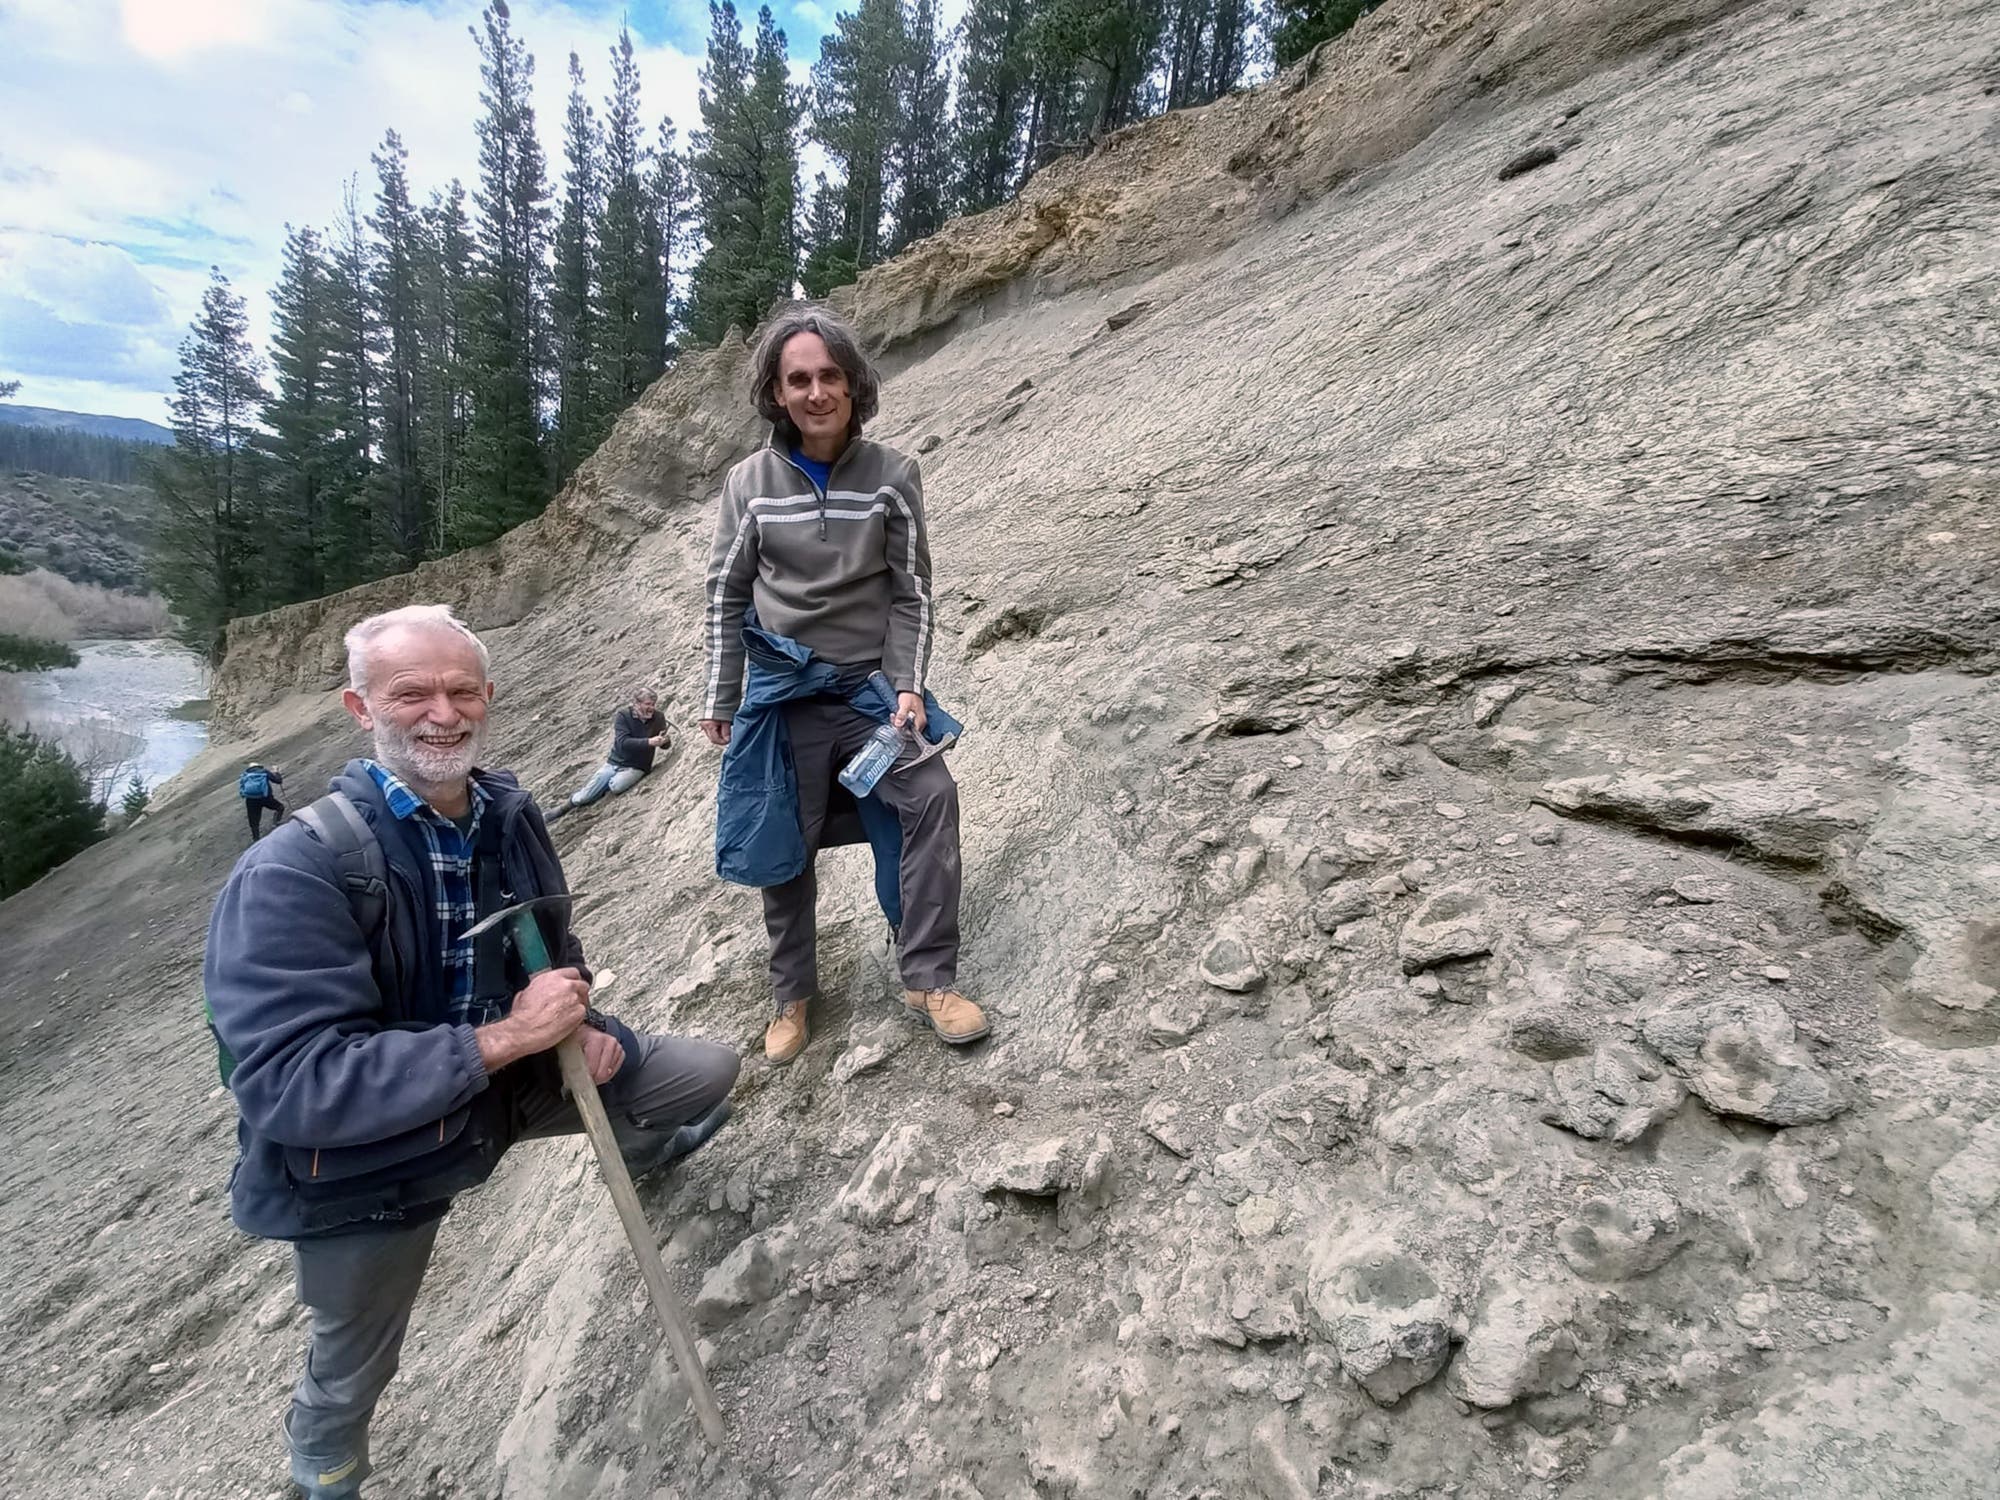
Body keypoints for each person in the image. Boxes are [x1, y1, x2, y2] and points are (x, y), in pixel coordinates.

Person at [203, 605, 739, 1499]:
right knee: (353, 1362)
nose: (441, 713)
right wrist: (507, 1038)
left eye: (460, 691)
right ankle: (323, 1470)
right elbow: (294, 1085)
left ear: (488, 697)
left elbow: (548, 942)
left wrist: (575, 1020)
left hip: (507, 1089)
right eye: (410, 693)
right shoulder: (295, 870)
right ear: (358, 705)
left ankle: (643, 1151)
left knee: (701, 1075)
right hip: (368, 1169)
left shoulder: (505, 813)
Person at [701, 303, 991, 1066]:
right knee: (779, 837)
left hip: (869, 692)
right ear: (775, 392)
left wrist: (909, 687)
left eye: (831, 375)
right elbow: (727, 594)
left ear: (855, 385)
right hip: (781, 696)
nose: (816, 392)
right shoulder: (749, 483)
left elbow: (912, 592)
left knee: (930, 797)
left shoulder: (894, 474)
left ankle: (928, 977)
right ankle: (792, 994)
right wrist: (720, 700)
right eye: (798, 379)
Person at [545, 686, 669, 823]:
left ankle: (604, 788)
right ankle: (563, 808)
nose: (651, 708)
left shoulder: (658, 717)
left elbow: (665, 746)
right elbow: (623, 742)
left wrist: (664, 741)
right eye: (648, 704)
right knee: (584, 796)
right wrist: (649, 742)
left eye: (653, 704)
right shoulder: (623, 715)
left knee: (617, 786)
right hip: (614, 763)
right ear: (637, 704)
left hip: (637, 766)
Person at [240, 761, 286, 839]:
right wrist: (276, 771)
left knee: (254, 822)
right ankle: (276, 822)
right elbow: (278, 781)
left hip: (251, 800)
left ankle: (256, 838)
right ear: (258, 767)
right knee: (280, 807)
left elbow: (242, 790)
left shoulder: (245, 776)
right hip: (265, 798)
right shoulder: (264, 772)